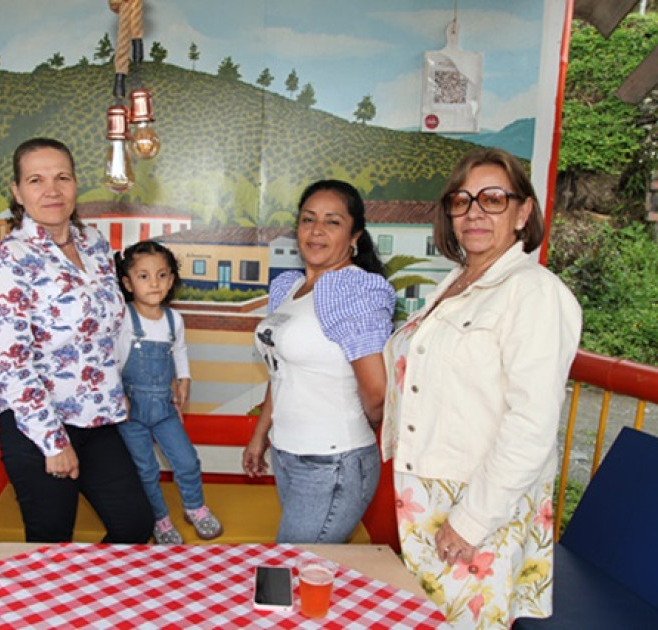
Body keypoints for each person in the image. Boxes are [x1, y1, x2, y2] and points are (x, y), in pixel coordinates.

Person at [380, 148, 582, 629]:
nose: (474, 212)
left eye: (493, 199)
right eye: (462, 199)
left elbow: (532, 424)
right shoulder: (457, 282)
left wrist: (471, 520)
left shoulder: (533, 291)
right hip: (427, 495)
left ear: (523, 212)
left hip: (477, 505)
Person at [0, 137, 153, 544]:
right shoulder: (9, 260)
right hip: (39, 426)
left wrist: (114, 390)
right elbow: (10, 365)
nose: (51, 190)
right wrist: (53, 443)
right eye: (36, 180)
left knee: (134, 525)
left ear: (75, 184)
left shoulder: (93, 243)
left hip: (98, 418)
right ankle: (48, 608)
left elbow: (105, 331)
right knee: (51, 545)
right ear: (18, 192)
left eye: (62, 177)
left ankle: (90, 605)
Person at [242, 179, 395, 543]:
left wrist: (358, 434)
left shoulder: (353, 289)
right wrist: (260, 435)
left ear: (355, 235)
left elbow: (377, 392)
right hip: (287, 454)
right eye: (308, 219)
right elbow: (280, 371)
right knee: (310, 572)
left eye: (333, 221)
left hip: (332, 462)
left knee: (293, 569)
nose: (317, 231)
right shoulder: (289, 287)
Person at [114, 240, 223, 544]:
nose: (154, 283)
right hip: (130, 410)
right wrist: (115, 394)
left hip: (164, 406)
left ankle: (194, 507)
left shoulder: (174, 319)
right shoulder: (122, 318)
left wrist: (184, 378)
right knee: (145, 469)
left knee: (186, 460)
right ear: (128, 282)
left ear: (172, 280)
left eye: (162, 275)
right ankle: (159, 519)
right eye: (143, 276)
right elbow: (110, 358)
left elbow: (179, 351)